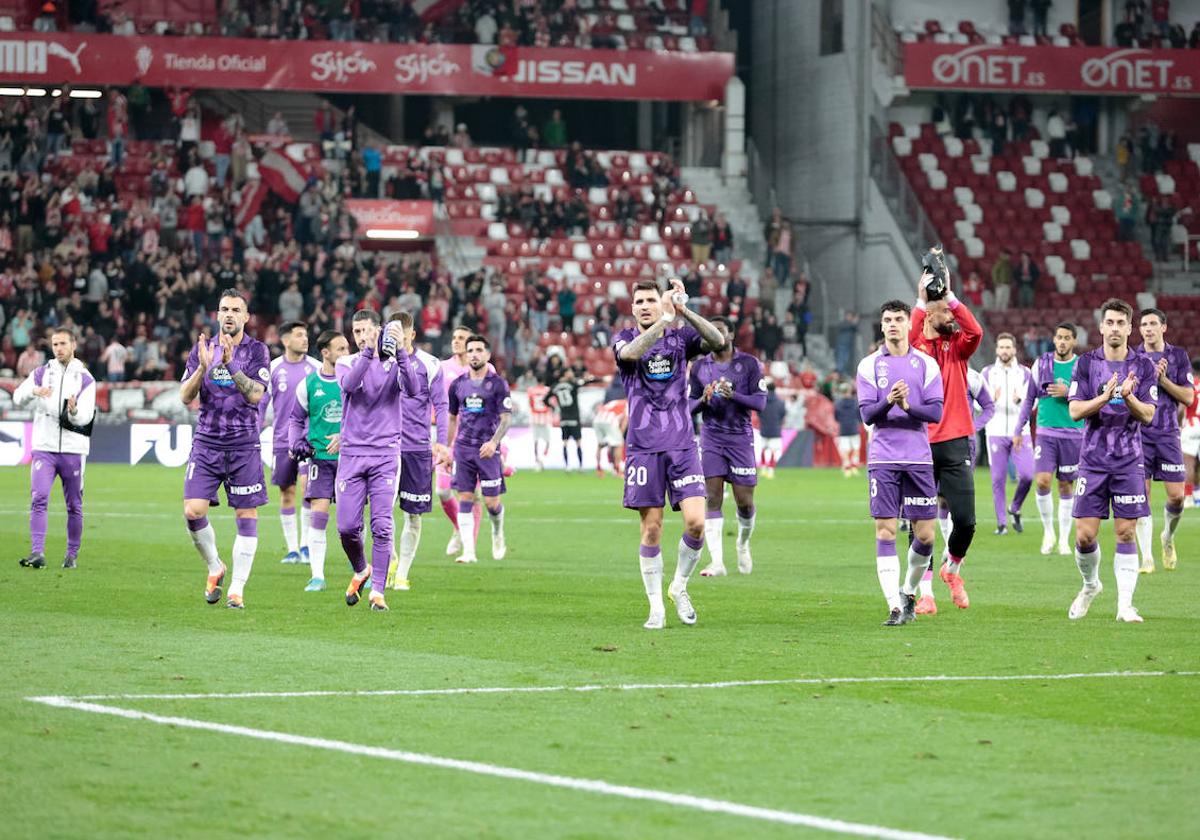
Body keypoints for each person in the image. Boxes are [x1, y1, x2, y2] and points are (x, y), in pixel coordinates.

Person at [612, 278, 724, 629]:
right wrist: (663, 320)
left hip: (682, 444)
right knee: (652, 529)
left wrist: (683, 310)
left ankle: (679, 585)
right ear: (633, 308)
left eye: (650, 300)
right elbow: (629, 356)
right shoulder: (625, 339)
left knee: (696, 523)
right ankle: (656, 606)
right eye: (640, 301)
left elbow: (718, 341)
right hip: (643, 448)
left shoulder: (681, 340)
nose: (645, 305)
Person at [1066, 298, 1157, 623]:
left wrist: (1129, 395)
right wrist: (1105, 396)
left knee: (1126, 532)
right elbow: (1076, 410)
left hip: (1129, 461)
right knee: (1084, 536)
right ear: (1101, 326)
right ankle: (1091, 585)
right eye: (1111, 322)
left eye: (1122, 323)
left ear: (1130, 328)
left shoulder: (1143, 367)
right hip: (1092, 459)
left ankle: (1125, 606)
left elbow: (1148, 415)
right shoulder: (1087, 364)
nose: (1115, 328)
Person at [180, 290, 270, 609]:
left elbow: (256, 394)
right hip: (207, 441)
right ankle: (216, 566)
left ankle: (237, 589)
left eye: (235, 310)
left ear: (246, 317)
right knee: (193, 511)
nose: (229, 314)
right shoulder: (202, 349)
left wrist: (232, 367)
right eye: (223, 309)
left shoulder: (257, 351)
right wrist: (204, 368)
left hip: (243, 442)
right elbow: (184, 396)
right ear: (217, 315)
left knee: (246, 513)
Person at [856, 300, 944, 626]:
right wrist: (888, 401)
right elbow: (867, 415)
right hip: (883, 458)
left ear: (910, 324)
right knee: (885, 531)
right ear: (881, 326)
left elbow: (935, 413)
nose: (893, 324)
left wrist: (907, 405)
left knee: (926, 537)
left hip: (919, 458)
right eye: (887, 320)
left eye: (898, 319)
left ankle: (908, 591)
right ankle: (893, 605)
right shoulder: (868, 366)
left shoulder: (926, 364)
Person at [908, 270, 983, 610]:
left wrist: (950, 296)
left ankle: (951, 569)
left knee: (966, 520)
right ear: (929, 315)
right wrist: (923, 302)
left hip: (955, 441)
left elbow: (976, 330)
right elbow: (908, 334)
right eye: (944, 311)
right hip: (919, 442)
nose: (951, 315)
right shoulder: (916, 349)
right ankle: (925, 595)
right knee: (919, 523)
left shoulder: (958, 348)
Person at [335, 310, 418, 612]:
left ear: (379, 330)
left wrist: (401, 353)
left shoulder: (396, 363)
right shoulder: (346, 362)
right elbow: (349, 386)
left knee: (382, 526)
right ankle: (361, 569)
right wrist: (368, 352)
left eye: (366, 331)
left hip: (385, 455)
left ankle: (378, 592)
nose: (360, 336)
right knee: (346, 528)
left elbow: (412, 389)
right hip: (353, 454)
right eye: (356, 332)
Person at [688, 317, 767, 577]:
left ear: (730, 335)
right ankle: (717, 562)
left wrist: (734, 396)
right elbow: (688, 408)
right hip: (712, 438)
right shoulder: (699, 367)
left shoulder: (749, 364)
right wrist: (703, 399)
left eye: (719, 332)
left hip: (740, 439)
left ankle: (743, 544)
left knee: (744, 503)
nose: (714, 336)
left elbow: (760, 403)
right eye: (709, 332)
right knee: (712, 498)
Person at [13, 328, 96, 570]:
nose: (58, 348)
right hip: (44, 447)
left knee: (74, 505)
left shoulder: (85, 378)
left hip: (73, 450)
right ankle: (37, 552)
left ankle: (71, 555)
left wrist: (73, 411)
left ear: (73, 345)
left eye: (62, 343)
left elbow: (86, 417)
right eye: (55, 344)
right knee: (39, 498)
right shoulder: (40, 374)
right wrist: (33, 391)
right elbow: (18, 397)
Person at [919, 366, 995, 615]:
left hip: (961, 447)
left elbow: (988, 406)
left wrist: (972, 427)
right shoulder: (921, 370)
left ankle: (952, 568)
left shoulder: (971, 376)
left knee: (961, 516)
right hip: (923, 447)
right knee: (922, 518)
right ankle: (925, 594)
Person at [388, 311, 451, 591]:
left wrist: (443, 442)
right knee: (381, 512)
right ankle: (388, 561)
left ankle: (402, 572)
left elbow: (442, 405)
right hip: (384, 448)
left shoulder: (430, 364)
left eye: (401, 334)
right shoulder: (379, 363)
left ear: (411, 335)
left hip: (417, 448)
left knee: (413, 514)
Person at [286, 329, 350, 592]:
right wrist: (295, 442)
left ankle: (361, 570)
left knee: (351, 522)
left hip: (351, 459)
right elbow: (295, 419)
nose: (347, 354)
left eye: (347, 348)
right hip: (320, 459)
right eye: (341, 349)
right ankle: (317, 576)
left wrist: (345, 436)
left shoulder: (353, 381)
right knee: (318, 515)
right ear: (325, 353)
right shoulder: (309, 384)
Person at [1015, 323, 1084, 556]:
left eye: (1067, 338)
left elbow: (1093, 397)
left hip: (1074, 433)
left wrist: (1070, 393)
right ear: (1054, 339)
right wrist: (1018, 429)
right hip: (1046, 433)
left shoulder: (1082, 366)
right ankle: (1048, 532)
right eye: (1059, 337)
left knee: (1066, 485)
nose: (1063, 341)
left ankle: (1064, 538)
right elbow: (1028, 399)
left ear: (1074, 341)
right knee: (1043, 481)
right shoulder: (1041, 363)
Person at [1133, 308, 1192, 572]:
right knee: (1141, 495)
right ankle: (1146, 557)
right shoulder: (1132, 356)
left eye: (1153, 323)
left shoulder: (1178, 356)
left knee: (1177, 497)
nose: (1147, 328)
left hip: (1168, 433)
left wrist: (1163, 379)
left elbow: (1188, 398)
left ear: (1163, 327)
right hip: (1139, 433)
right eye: (1144, 324)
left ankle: (1167, 537)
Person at [446, 335, 512, 565]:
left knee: (492, 503)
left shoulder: (498, 384)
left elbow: (505, 419)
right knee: (464, 497)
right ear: (465, 355)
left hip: (488, 450)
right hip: (463, 449)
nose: (474, 354)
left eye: (478, 350)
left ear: (487, 354)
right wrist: (447, 447)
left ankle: (497, 533)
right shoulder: (458, 385)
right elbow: (452, 419)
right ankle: (469, 551)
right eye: (470, 350)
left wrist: (494, 443)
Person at [263, 321, 320, 566]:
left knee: (309, 489)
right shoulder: (273, 368)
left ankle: (307, 545)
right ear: (285, 341)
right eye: (299, 335)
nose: (305, 339)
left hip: (309, 440)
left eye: (306, 335)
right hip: (281, 441)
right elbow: (260, 405)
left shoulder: (316, 367)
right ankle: (293, 549)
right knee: (287, 493)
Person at [437, 326, 490, 556]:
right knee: (442, 491)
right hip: (448, 440)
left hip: (474, 442)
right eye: (455, 337)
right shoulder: (441, 369)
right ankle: (460, 528)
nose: (456, 341)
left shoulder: (487, 370)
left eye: (462, 338)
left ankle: (469, 547)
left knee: (471, 494)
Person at [981, 334, 1035, 535]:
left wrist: (1020, 400)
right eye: (1001, 347)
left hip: (1020, 431)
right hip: (995, 431)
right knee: (998, 479)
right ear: (997, 350)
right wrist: (990, 400)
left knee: (1028, 475)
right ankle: (1001, 523)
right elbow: (978, 402)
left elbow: (1033, 401)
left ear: (1014, 350)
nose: (1004, 351)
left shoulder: (1025, 373)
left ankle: (1015, 507)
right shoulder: (987, 373)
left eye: (1008, 347)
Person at [548, 368, 593, 471]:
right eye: (569, 372)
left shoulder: (555, 387)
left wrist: (553, 407)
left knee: (565, 442)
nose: (571, 374)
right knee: (578, 442)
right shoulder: (573, 384)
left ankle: (567, 466)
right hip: (574, 418)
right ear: (564, 374)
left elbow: (545, 399)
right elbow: (584, 382)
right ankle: (581, 466)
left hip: (563, 418)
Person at [593, 397, 628, 477]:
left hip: (597, 420)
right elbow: (625, 420)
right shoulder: (627, 404)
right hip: (609, 421)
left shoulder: (615, 401)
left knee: (600, 444)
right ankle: (617, 470)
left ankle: (598, 468)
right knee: (619, 444)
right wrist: (620, 434)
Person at [833, 382, 861, 477]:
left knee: (845, 450)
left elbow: (836, 417)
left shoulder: (837, 403)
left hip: (843, 428)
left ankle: (847, 468)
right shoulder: (855, 402)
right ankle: (854, 467)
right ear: (849, 391)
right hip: (854, 427)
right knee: (856, 448)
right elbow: (859, 414)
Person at [759, 380, 786, 478]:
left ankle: (763, 468)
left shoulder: (763, 401)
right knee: (774, 451)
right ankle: (770, 471)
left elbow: (759, 412)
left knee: (763, 449)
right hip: (775, 429)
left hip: (764, 429)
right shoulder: (780, 402)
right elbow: (782, 415)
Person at [527, 378, 553, 471]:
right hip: (545, 418)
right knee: (547, 441)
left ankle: (537, 461)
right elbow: (551, 402)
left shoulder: (531, 390)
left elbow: (530, 403)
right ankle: (543, 459)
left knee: (536, 441)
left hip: (535, 418)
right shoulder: (547, 390)